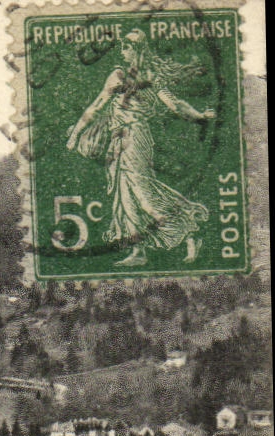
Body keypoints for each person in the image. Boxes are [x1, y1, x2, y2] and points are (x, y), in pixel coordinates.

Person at [66, 29, 215, 267]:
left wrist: (200, 115)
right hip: (117, 140)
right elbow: (96, 106)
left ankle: (188, 232)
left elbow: (175, 105)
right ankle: (138, 252)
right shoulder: (117, 75)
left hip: (135, 137)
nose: (122, 51)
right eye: (123, 47)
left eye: (126, 47)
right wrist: (75, 134)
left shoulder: (151, 77)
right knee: (124, 195)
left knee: (142, 193)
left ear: (137, 50)